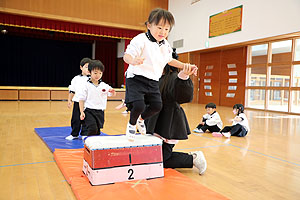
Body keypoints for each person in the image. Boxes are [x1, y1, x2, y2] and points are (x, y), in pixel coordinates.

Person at [123, 8, 197, 141]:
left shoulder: (165, 45)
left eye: (167, 29)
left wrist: (186, 66)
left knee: (157, 105)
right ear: (149, 25)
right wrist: (133, 60)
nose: (163, 32)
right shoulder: (140, 39)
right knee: (139, 105)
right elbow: (127, 55)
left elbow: (169, 60)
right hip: (136, 78)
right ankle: (131, 124)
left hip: (152, 80)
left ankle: (141, 119)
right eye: (159, 28)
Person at [146, 49, 207, 175]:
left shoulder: (174, 78)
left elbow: (183, 97)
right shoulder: (157, 77)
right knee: (152, 157)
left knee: (161, 159)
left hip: (169, 122)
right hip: (155, 121)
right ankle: (193, 158)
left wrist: (184, 76)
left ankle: (194, 158)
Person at [78, 60, 116, 137]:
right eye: (95, 73)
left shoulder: (104, 85)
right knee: (92, 128)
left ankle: (93, 144)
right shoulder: (86, 85)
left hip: (100, 111)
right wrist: (82, 112)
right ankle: (88, 144)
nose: (97, 75)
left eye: (100, 73)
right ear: (89, 72)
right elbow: (81, 100)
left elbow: (111, 93)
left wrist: (112, 92)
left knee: (97, 131)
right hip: (89, 111)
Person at [65, 57, 91, 140]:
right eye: (86, 67)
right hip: (77, 102)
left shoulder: (93, 79)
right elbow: (72, 90)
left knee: (87, 119)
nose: (88, 69)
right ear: (81, 67)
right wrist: (69, 100)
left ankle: (85, 134)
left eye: (90, 67)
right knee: (76, 119)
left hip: (88, 103)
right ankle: (74, 134)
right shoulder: (76, 79)